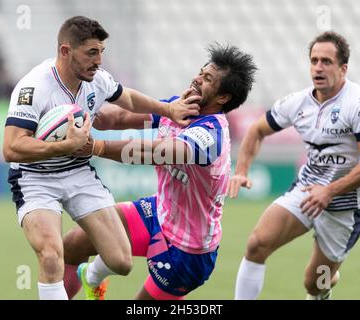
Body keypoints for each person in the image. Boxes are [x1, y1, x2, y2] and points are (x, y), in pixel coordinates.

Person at [2, 16, 200, 300]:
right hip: (35, 178)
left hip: (77, 172)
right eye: (91, 53)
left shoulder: (97, 80)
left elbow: (128, 100)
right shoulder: (33, 88)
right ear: (66, 51)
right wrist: (65, 145)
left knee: (121, 261)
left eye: (101, 52)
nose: (98, 61)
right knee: (50, 256)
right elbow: (11, 148)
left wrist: (168, 110)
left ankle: (90, 277)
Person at [61, 43, 257, 300]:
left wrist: (95, 147)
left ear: (222, 98)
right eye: (201, 72)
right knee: (71, 246)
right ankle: (92, 279)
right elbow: (115, 119)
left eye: (207, 78)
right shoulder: (178, 109)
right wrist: (78, 107)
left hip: (187, 252)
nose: (197, 79)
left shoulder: (211, 134)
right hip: (158, 212)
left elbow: (157, 152)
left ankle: (93, 277)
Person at [228, 31, 360, 300]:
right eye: (314, 61)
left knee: (315, 284)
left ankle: (327, 280)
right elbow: (257, 130)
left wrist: (329, 192)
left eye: (326, 61)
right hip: (306, 191)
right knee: (257, 244)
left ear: (343, 68)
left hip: (344, 208)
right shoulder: (298, 102)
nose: (318, 68)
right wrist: (241, 171)